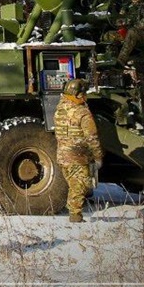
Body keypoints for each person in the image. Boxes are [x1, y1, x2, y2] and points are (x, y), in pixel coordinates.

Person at [54, 78, 102, 223]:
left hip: (62, 156)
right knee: (79, 187)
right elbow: (92, 137)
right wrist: (98, 156)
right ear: (79, 94)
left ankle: (74, 214)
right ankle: (75, 217)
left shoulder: (60, 110)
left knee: (74, 186)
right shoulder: (82, 113)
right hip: (78, 156)